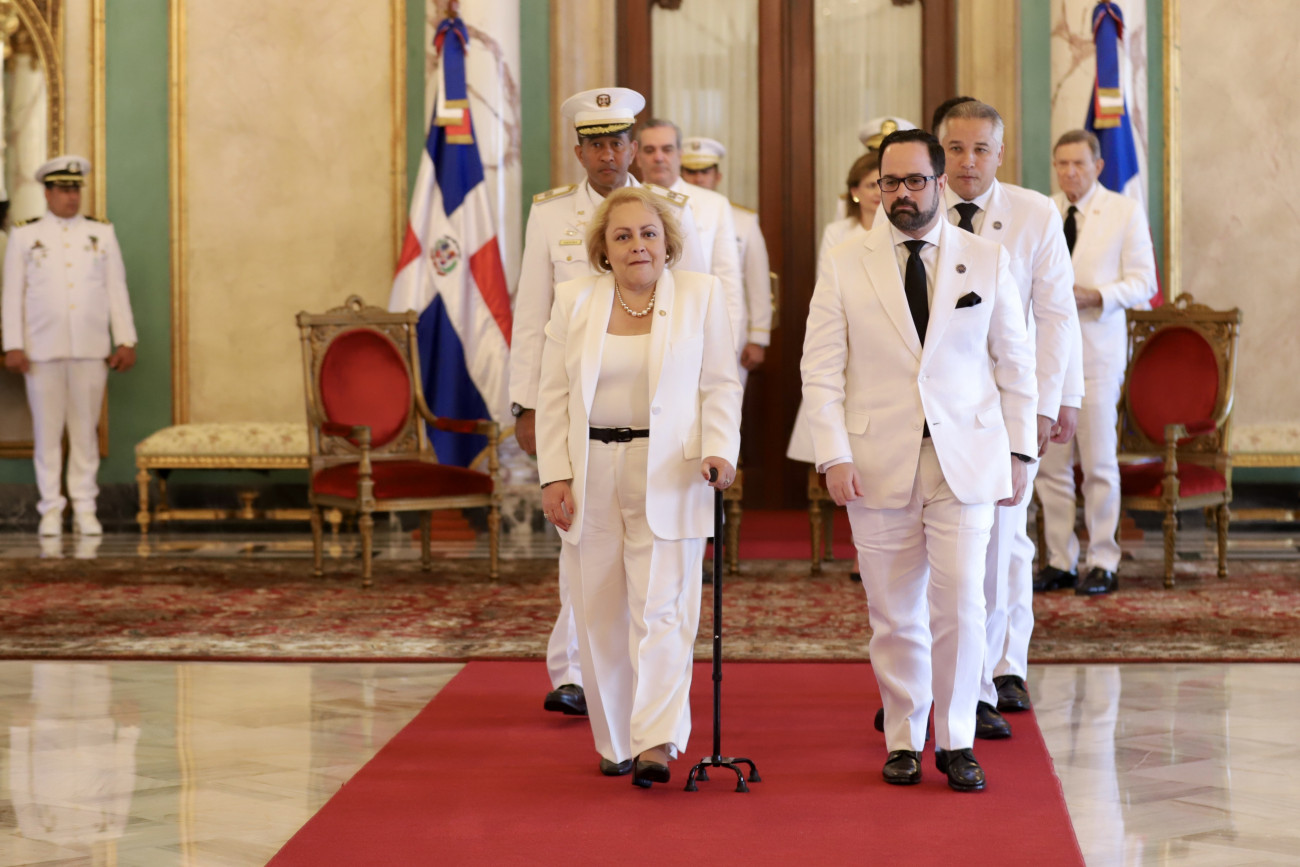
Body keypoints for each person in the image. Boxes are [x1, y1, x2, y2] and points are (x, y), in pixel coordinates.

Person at [801, 128, 1037, 792]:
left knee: (962, 602)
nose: (901, 194)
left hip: (967, 459)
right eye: (889, 182)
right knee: (893, 611)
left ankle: (957, 738)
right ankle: (904, 735)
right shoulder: (844, 262)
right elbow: (820, 369)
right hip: (876, 460)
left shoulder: (985, 258)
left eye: (914, 181)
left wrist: (1019, 449)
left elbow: (1015, 364)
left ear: (940, 183)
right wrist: (832, 454)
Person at [508, 88, 709, 719]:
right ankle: (573, 671)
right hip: (577, 405)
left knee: (648, 572)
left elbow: (699, 313)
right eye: (595, 144)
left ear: (633, 147)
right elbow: (532, 312)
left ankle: (642, 694)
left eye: (617, 142)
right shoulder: (550, 215)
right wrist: (524, 404)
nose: (607, 154)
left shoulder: (670, 210)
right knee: (582, 551)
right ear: (579, 152)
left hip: (655, 413)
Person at [535, 185, 742, 786]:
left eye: (648, 233)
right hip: (591, 469)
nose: (637, 246)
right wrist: (555, 474)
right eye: (622, 236)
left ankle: (657, 739)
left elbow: (720, 384)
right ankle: (617, 740)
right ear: (603, 247)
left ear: (668, 241)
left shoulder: (701, 295)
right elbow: (553, 395)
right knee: (600, 611)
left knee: (663, 609)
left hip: (671, 470)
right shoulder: (575, 300)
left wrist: (720, 448)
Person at [933, 99, 1084, 736]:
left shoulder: (1034, 212)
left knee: (1003, 542)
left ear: (1000, 154)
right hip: (938, 407)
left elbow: (1056, 314)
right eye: (956, 149)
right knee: (942, 552)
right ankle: (938, 677)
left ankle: (1001, 669)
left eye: (980, 149)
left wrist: (1056, 402)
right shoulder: (916, 206)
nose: (968, 162)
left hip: (1009, 405)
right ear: (940, 153)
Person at [1035, 130, 1157, 596]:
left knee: (1099, 463)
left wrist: (1097, 295)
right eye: (1062, 164)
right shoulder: (1044, 211)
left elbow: (1144, 281)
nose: (1070, 172)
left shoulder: (1123, 210)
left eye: (1079, 164)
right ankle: (1059, 560)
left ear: (1098, 167)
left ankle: (1104, 560)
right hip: (1048, 358)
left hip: (1097, 354)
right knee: (1051, 465)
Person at [2, 156, 136, 537]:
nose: (72, 197)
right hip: (41, 351)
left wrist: (125, 339)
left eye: (76, 189)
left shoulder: (101, 233)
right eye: (63, 189)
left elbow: (116, 289)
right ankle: (50, 509)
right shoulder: (25, 235)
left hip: (91, 349)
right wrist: (13, 344)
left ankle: (85, 508)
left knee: (84, 434)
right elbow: (12, 295)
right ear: (47, 193)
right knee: (47, 434)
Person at [787, 150, 881, 465]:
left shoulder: (899, 229)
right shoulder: (838, 232)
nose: (878, 192)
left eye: (883, 184)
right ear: (855, 192)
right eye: (870, 185)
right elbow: (826, 284)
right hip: (848, 325)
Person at [635, 121, 746, 361]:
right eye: (650, 150)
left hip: (696, 333)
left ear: (680, 154)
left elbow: (728, 282)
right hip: (636, 335)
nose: (658, 157)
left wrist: (728, 348)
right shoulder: (622, 203)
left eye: (667, 149)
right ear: (637, 156)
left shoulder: (713, 205)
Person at [679, 136, 772, 377]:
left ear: (717, 176)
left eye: (705, 172)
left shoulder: (743, 220)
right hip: (684, 324)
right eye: (691, 172)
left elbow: (757, 281)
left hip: (733, 326)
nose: (698, 178)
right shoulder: (670, 215)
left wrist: (758, 336)